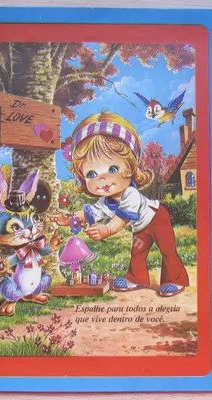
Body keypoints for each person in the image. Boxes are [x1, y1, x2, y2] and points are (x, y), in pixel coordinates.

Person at [51, 112, 189, 297]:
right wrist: (69, 219)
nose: (102, 179)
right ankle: (137, 278)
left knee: (167, 250)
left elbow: (121, 219)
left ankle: (175, 279)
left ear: (130, 166)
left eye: (112, 169)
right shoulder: (105, 201)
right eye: (91, 174)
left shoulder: (131, 194)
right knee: (137, 252)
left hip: (157, 218)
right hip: (141, 227)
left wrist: (107, 230)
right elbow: (89, 212)